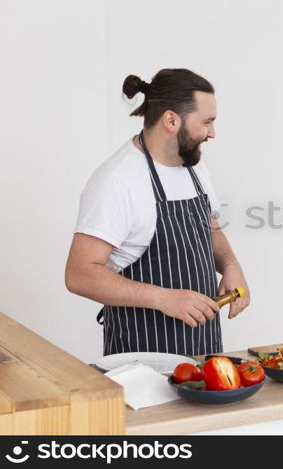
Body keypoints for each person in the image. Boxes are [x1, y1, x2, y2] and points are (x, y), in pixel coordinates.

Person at [65, 68, 250, 356]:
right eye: (207, 122)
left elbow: (209, 225)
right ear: (171, 120)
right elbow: (79, 274)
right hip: (143, 362)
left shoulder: (192, 166)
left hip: (203, 352)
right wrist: (164, 299)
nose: (212, 133)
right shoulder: (117, 181)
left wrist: (231, 266)